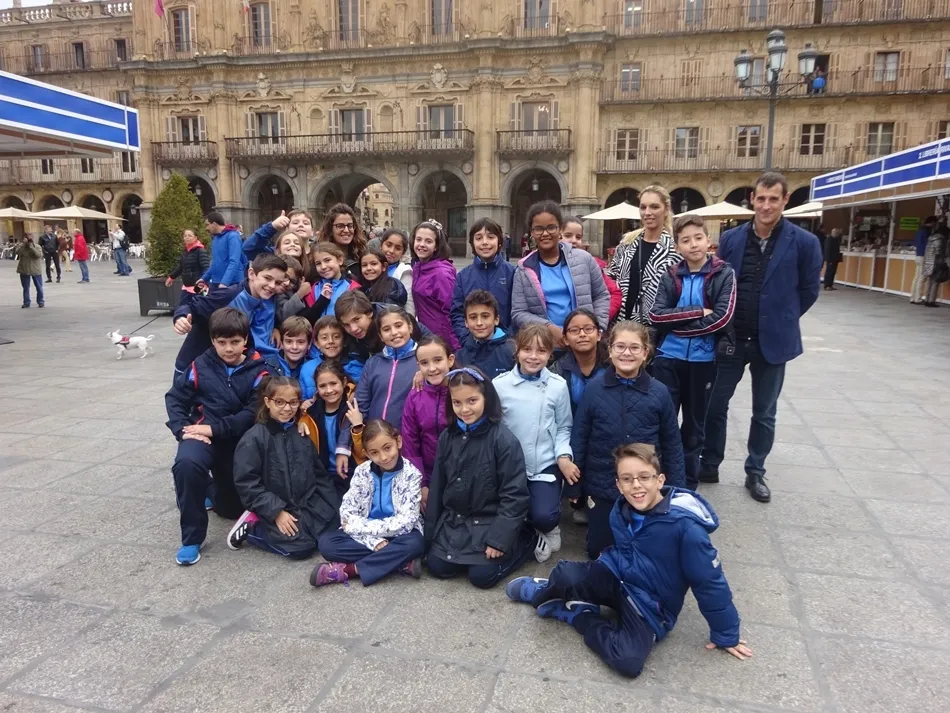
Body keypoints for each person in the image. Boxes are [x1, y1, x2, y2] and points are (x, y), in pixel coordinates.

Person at [504, 443, 750, 679]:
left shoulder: (686, 528)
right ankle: (542, 590)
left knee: (628, 661)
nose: (636, 486)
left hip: (649, 604)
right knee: (566, 573)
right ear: (619, 485)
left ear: (660, 480)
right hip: (615, 576)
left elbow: (710, 581)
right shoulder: (622, 508)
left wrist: (726, 633)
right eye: (627, 479)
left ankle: (579, 614)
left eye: (645, 477)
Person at [700, 172, 822, 503]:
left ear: (785, 201)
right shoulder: (731, 239)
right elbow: (720, 281)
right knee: (715, 404)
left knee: (764, 411)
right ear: (752, 200)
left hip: (774, 341)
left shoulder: (805, 242)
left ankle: (755, 471)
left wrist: (783, 318)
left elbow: (810, 290)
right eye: (761, 198)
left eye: (773, 199)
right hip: (732, 339)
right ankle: (709, 463)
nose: (766, 205)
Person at [571, 321, 685, 559]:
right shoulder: (594, 390)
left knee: (648, 550)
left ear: (645, 353)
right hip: (604, 482)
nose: (626, 353)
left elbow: (672, 443)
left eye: (634, 348)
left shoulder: (660, 392)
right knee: (599, 553)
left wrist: (678, 491)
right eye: (620, 346)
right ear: (610, 350)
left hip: (643, 484)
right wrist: (575, 486)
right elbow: (580, 436)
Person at [164, 308, 269, 565]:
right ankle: (191, 538)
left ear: (245, 339)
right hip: (201, 435)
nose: (229, 348)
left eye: (234, 342)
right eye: (221, 342)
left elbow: (252, 412)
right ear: (212, 341)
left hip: (238, 441)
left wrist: (215, 429)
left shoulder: (260, 370)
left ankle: (209, 488)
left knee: (230, 509)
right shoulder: (199, 365)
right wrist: (182, 429)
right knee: (187, 464)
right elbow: (175, 398)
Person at [425, 366, 534, 588]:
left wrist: (499, 540)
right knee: (437, 567)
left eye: (472, 401)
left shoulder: (503, 440)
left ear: (487, 398)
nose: (464, 409)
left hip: (490, 520)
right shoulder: (448, 436)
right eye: (457, 403)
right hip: (456, 521)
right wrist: (430, 533)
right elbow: (438, 485)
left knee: (481, 578)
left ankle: (527, 539)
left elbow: (514, 494)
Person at [649, 215, 736, 491]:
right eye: (685, 240)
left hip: (704, 360)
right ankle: (659, 479)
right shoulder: (671, 275)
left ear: (708, 240)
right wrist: (698, 313)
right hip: (667, 359)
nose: (693, 245)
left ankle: (687, 484)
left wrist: (678, 326)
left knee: (694, 425)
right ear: (677, 246)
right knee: (663, 419)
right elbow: (656, 315)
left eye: (698, 238)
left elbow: (722, 318)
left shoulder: (723, 273)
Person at [229, 375, 341, 558]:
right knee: (300, 549)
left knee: (328, 535)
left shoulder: (300, 432)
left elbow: (319, 474)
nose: (287, 408)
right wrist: (276, 511)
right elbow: (246, 483)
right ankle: (253, 529)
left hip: (307, 502)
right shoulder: (254, 438)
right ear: (268, 402)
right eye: (280, 402)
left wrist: (336, 507)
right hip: (278, 505)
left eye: (293, 402)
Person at [494, 324, 574, 564]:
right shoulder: (500, 385)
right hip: (510, 467)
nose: (533, 356)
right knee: (505, 513)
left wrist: (563, 455)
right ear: (516, 350)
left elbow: (564, 426)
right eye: (527, 349)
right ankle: (529, 534)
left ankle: (548, 527)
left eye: (541, 351)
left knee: (544, 516)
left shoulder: (558, 386)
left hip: (544, 465)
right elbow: (494, 428)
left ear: (550, 354)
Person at [313, 419, 426, 586]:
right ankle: (399, 563)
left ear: (399, 442)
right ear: (366, 453)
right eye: (374, 452)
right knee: (327, 544)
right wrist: (374, 541)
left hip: (398, 535)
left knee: (416, 543)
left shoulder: (411, 475)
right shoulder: (362, 472)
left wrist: (365, 531)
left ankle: (347, 570)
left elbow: (406, 523)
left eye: (388, 448)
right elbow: (347, 515)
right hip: (367, 536)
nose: (384, 457)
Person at [511, 201, 611, 345]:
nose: (545, 234)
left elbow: (601, 295)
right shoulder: (524, 269)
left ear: (560, 229)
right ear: (532, 233)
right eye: (539, 229)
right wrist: (549, 328)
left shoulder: (584, 259)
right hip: (547, 344)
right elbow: (519, 313)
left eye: (551, 227)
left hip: (584, 342)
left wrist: (596, 329)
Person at [172, 253, 288, 375]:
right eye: (268, 278)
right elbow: (192, 307)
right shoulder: (229, 295)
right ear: (251, 274)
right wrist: (181, 317)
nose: (272, 286)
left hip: (222, 371)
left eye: (278, 282)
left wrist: (276, 327)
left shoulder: (267, 298)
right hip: (192, 369)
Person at [549, 308, 607, 526]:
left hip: (603, 434)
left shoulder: (613, 366)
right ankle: (576, 494)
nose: (582, 334)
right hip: (570, 434)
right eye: (575, 330)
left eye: (588, 329)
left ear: (599, 334)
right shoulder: (557, 370)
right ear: (565, 338)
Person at [607, 186, 681, 326]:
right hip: (619, 323)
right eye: (643, 207)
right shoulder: (626, 244)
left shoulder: (675, 251)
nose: (647, 213)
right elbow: (610, 278)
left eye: (654, 207)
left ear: (666, 210)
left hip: (651, 327)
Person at [401, 334, 453, 511]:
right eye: (424, 363)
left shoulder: (463, 389)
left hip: (462, 474)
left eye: (438, 360)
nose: (432, 368)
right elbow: (410, 443)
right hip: (430, 476)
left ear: (450, 360)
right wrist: (421, 483)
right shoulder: (415, 395)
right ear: (418, 366)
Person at [351, 304, 419, 432]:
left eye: (398, 326)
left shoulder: (423, 359)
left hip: (410, 441)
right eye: (386, 329)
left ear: (410, 326)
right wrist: (344, 447)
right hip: (375, 442)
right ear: (381, 336)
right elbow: (360, 405)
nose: (394, 332)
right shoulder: (373, 363)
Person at [300, 360, 363, 496]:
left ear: (344, 382)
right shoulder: (311, 413)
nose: (329, 390)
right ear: (317, 388)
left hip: (354, 476)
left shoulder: (355, 407)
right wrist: (301, 419)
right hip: (323, 478)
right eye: (322, 386)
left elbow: (364, 453)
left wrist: (358, 427)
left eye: (333, 383)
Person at [450, 218, 516, 346]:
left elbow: (517, 310)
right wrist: (466, 338)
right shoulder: (463, 276)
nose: (485, 242)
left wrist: (509, 338)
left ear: (500, 242)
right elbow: (457, 312)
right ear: (472, 243)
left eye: (490, 237)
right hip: (473, 345)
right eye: (479, 238)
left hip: (505, 344)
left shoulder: (512, 272)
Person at [561, 216, 622, 322]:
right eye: (568, 235)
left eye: (578, 237)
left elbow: (614, 293)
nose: (574, 241)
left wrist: (598, 320)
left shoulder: (592, 264)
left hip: (585, 329)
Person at [410, 219, 459, 350]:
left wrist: (454, 345)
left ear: (436, 246)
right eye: (418, 239)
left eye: (428, 241)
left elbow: (451, 310)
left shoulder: (441, 273)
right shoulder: (418, 267)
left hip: (441, 338)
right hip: (425, 334)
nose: (421, 244)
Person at [453, 290, 516, 379]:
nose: (479, 323)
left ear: (496, 319)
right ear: (466, 322)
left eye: (485, 316)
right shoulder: (459, 358)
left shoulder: (512, 352)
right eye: (473, 317)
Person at [298, 316, 363, 395]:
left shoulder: (357, 366)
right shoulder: (307, 369)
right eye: (324, 338)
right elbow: (302, 398)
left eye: (336, 337)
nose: (331, 341)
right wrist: (304, 404)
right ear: (316, 343)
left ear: (345, 340)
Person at [301, 242, 361, 320]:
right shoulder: (313, 289)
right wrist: (322, 300)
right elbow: (308, 319)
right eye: (318, 263)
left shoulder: (353, 288)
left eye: (327, 260)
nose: (323, 266)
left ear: (340, 260)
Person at [320, 203, 366, 279]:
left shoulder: (362, 255)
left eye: (350, 226)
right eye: (340, 226)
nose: (346, 230)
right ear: (330, 230)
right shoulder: (320, 258)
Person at [200, 211, 245, 288]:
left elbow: (234, 261)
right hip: (217, 282)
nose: (206, 228)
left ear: (214, 224)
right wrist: (204, 278)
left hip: (232, 284)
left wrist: (225, 282)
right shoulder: (216, 239)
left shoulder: (232, 236)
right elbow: (215, 263)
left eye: (207, 225)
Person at [379, 228, 414, 314]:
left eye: (398, 248)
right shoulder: (371, 268)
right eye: (388, 245)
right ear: (381, 246)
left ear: (403, 253)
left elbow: (409, 306)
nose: (391, 251)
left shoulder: (403, 272)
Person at [166, 229, 210, 294]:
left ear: (195, 238)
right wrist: (171, 277)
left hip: (198, 288)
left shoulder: (200, 251)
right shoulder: (185, 251)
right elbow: (181, 267)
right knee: (182, 304)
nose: (187, 237)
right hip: (186, 287)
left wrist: (205, 283)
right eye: (185, 236)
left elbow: (206, 268)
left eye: (189, 236)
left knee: (197, 304)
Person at [922, 223, 949, 307]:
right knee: (935, 282)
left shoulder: (930, 238)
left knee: (929, 281)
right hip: (937, 262)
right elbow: (940, 252)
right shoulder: (941, 240)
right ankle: (931, 301)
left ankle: (927, 299)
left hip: (928, 261)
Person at [911, 216, 936, 304]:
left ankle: (912, 297)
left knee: (916, 278)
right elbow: (927, 244)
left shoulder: (919, 230)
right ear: (932, 222)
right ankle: (918, 298)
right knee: (922, 278)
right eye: (934, 223)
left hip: (917, 255)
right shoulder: (927, 231)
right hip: (923, 255)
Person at [17, 234, 44, 308]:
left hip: (35, 269)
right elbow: (17, 253)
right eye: (27, 238)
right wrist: (22, 245)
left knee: (39, 287)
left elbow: (38, 255)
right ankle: (26, 302)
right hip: (24, 269)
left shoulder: (37, 246)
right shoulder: (22, 247)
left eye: (30, 238)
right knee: (25, 287)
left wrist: (31, 247)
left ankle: (40, 301)